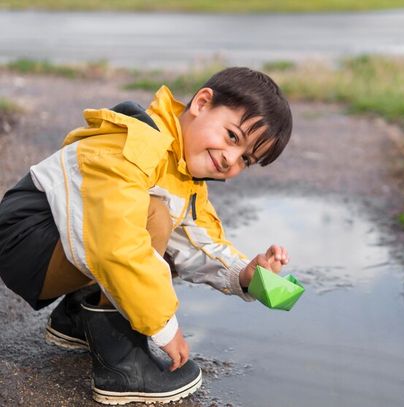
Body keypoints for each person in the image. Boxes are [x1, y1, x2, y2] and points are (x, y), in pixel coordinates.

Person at [0, 67, 293, 405]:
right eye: (231, 136)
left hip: (57, 241)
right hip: (24, 241)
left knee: (162, 230)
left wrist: (245, 275)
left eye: (246, 158)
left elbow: (199, 243)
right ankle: (122, 365)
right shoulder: (135, 145)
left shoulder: (181, 172)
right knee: (150, 217)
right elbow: (116, 245)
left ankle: (79, 318)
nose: (231, 159)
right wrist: (163, 327)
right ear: (201, 103)